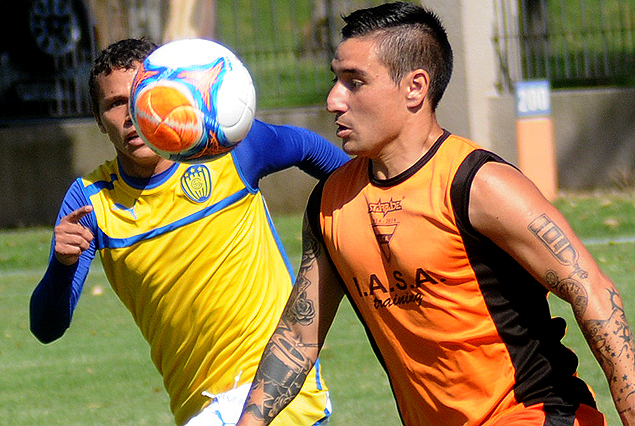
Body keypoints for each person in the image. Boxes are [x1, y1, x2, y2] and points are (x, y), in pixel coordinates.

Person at [235, 3, 635, 426]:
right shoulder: (329, 204)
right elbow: (298, 337)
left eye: (355, 82)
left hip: (535, 414)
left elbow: (592, 293)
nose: (334, 99)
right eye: (335, 80)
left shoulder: (478, 184)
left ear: (415, 87)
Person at [29, 37, 349, 426]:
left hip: (280, 393)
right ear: (98, 121)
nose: (132, 112)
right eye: (114, 104)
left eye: (143, 95)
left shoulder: (225, 151)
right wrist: (63, 265)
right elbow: (47, 327)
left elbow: (305, 147)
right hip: (198, 409)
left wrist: (365, 211)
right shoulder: (91, 202)